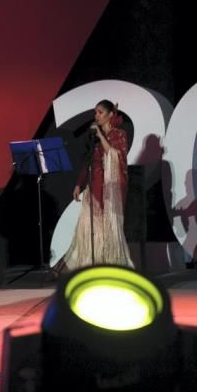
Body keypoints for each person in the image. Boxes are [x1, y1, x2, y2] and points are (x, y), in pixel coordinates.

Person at [58, 100, 133, 271]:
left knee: (109, 226)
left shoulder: (119, 134)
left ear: (110, 114)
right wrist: (79, 184)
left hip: (112, 187)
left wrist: (100, 135)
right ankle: (92, 263)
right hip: (95, 184)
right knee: (90, 226)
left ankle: (110, 264)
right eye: (95, 112)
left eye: (100, 112)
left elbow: (116, 156)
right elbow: (88, 161)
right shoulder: (93, 136)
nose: (96, 116)